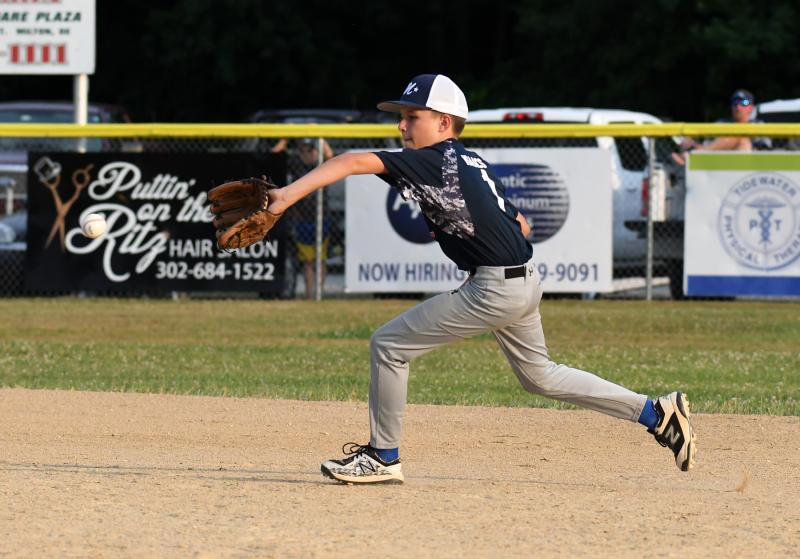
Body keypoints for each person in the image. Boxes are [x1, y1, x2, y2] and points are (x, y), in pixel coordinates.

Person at [265, 74, 697, 484]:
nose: (402, 124)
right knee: (540, 376)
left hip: (494, 288)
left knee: (389, 345)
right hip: (523, 281)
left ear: (444, 123)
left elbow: (353, 160)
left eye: (412, 116)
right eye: (402, 115)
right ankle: (655, 414)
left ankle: (382, 457)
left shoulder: (434, 160)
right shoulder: (468, 160)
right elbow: (522, 224)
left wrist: (283, 198)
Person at [289, 138, 334, 299]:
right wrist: (285, 136)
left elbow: (331, 156)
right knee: (308, 261)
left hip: (322, 218)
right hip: (303, 219)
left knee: (320, 259)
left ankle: (318, 294)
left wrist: (321, 139)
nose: (307, 154)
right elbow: (274, 155)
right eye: (303, 151)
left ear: (317, 151)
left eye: (310, 150)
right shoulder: (296, 165)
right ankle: (309, 295)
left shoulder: (322, 165)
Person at [672, 89, 768, 165]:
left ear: (751, 107)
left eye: (744, 102)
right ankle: (695, 155)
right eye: (735, 102)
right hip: (720, 164)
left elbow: (764, 151)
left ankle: (694, 156)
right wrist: (694, 145)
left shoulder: (758, 125)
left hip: (749, 166)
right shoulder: (721, 124)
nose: (738, 107)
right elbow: (708, 146)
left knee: (739, 136)